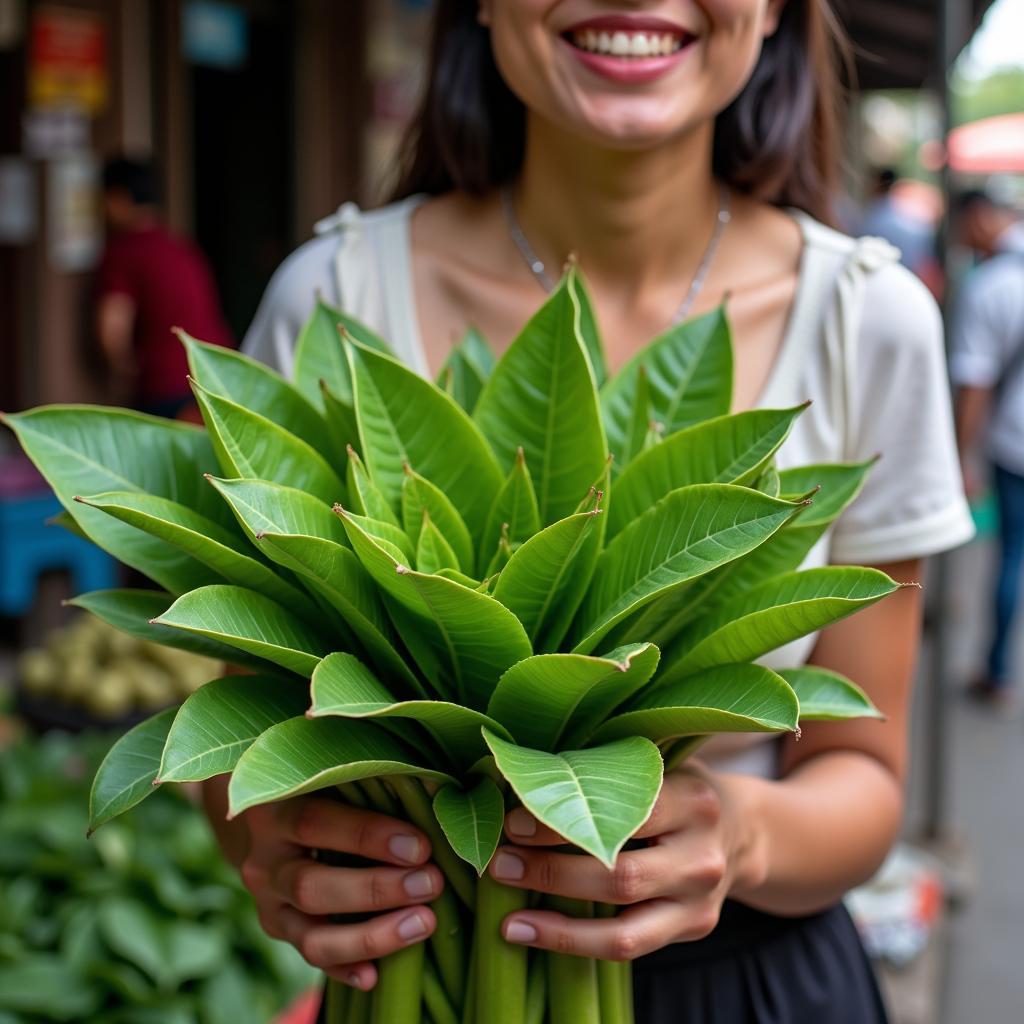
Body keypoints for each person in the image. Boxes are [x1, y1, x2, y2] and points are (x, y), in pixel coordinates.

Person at [207, 2, 975, 1020]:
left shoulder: (865, 323)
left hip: (749, 982)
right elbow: (239, 731)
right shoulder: (333, 298)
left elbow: (864, 775)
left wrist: (735, 830)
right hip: (417, 979)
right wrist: (274, 844)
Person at [951, 189, 1024, 710]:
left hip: (1014, 441)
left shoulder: (992, 284)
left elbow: (975, 384)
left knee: (1012, 556)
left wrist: (960, 457)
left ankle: (998, 673)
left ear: (978, 218)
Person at [97, 157, 233, 418]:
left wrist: (120, 373)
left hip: (165, 389)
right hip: (215, 377)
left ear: (118, 199)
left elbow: (112, 327)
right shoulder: (181, 245)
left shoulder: (124, 251)